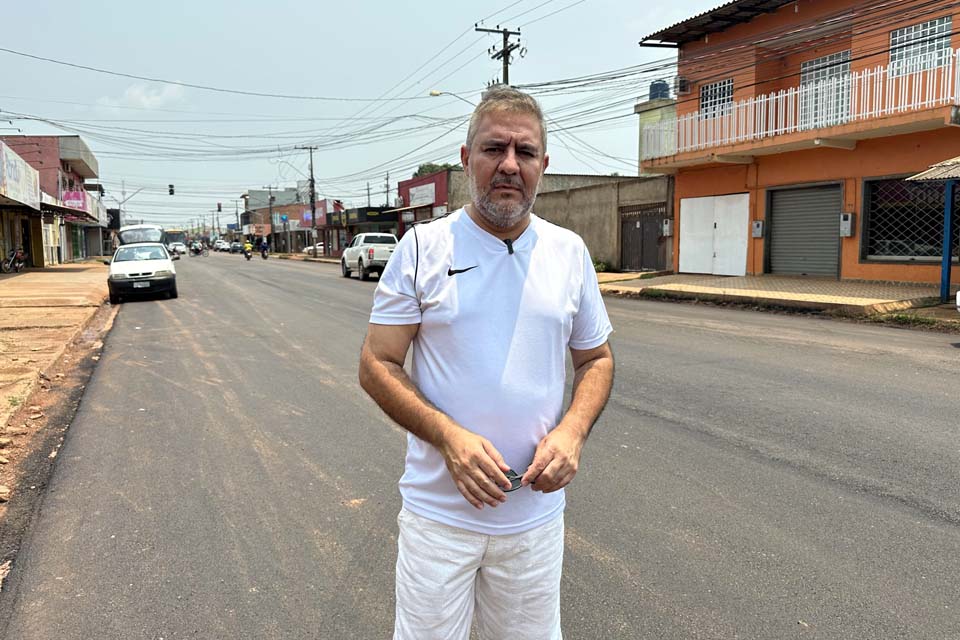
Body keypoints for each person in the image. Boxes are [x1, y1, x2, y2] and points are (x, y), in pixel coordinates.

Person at [358, 85, 614, 639]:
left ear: (543, 165)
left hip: (533, 526)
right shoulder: (424, 247)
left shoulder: (569, 253)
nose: (508, 164)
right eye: (494, 148)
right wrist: (449, 438)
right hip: (439, 521)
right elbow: (377, 363)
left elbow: (595, 358)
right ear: (465, 159)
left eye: (524, 152)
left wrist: (572, 432)